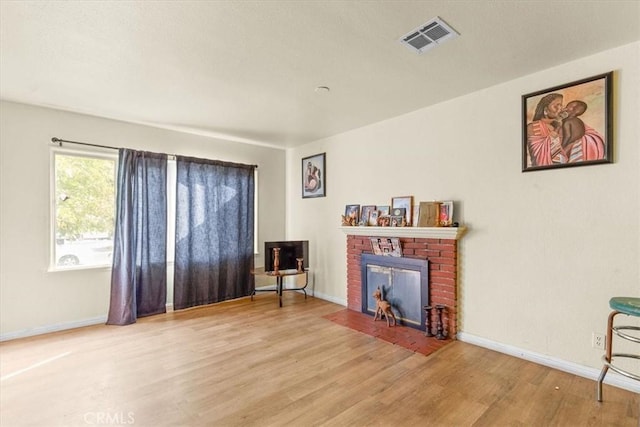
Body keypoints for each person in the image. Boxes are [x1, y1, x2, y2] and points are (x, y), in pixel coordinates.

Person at [526, 93, 567, 166]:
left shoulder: (559, 127)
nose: (560, 109)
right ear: (545, 110)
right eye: (556, 106)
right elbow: (539, 153)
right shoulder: (533, 126)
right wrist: (557, 128)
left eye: (561, 105)